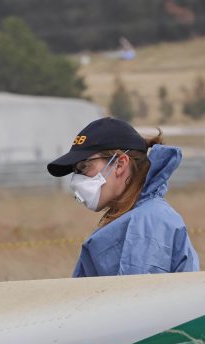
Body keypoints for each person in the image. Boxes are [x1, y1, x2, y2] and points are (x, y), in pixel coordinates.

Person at [47, 116, 199, 277]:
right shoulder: (129, 217)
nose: (76, 180)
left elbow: (134, 297)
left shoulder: (147, 222)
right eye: (75, 171)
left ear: (120, 164)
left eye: (84, 167)